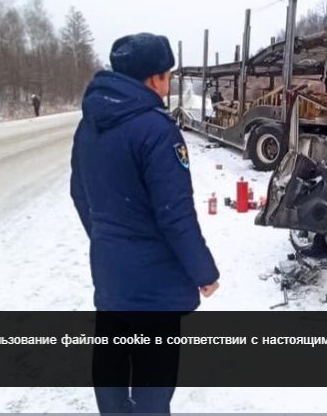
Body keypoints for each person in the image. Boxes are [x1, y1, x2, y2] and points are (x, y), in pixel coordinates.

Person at [70, 33, 220, 414]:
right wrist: (203, 271)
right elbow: (175, 214)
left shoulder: (89, 126)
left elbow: (80, 194)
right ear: (154, 79)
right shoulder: (156, 131)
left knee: (113, 355)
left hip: (111, 272)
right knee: (154, 372)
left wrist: (108, 238)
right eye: (167, 76)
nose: (168, 84)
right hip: (155, 284)